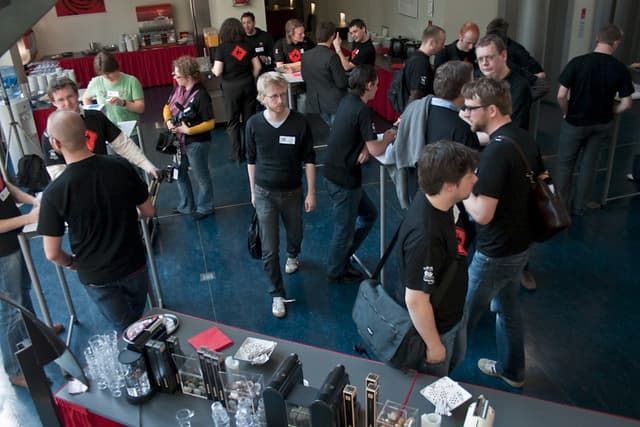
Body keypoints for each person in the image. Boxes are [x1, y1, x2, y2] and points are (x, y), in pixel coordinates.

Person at [460, 77, 545, 388]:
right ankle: (513, 370)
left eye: (470, 108)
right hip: (520, 245)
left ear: (491, 109)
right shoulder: (522, 138)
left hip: (495, 252)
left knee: (463, 317)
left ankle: (437, 373)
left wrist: (464, 185)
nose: (466, 113)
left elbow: (483, 213)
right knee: (508, 309)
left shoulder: (496, 153)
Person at [38, 110, 155, 331]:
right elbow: (148, 210)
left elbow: (51, 252)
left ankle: (137, 360)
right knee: (138, 317)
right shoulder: (120, 166)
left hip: (96, 274)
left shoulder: (55, 192)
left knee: (125, 327)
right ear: (86, 134)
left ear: (55, 143)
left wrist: (72, 262)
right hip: (133, 262)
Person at [396, 141, 478, 375]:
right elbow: (416, 300)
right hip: (438, 328)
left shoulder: (439, 200)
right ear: (449, 186)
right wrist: (434, 345)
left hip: (454, 313)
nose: (475, 179)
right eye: (469, 175)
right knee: (435, 386)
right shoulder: (426, 237)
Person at [246, 72, 316, 318]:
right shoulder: (254, 124)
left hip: (293, 191)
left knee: (295, 232)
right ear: (262, 98)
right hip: (265, 193)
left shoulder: (299, 122)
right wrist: (253, 191)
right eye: (273, 96)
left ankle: (293, 254)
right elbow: (251, 160)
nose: (279, 100)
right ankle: (276, 293)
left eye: (282, 95)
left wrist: (311, 192)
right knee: (269, 249)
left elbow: (309, 158)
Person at [324, 65, 396, 283]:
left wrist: (365, 147)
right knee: (344, 229)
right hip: (345, 180)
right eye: (376, 84)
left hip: (334, 172)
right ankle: (336, 270)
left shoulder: (348, 101)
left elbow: (360, 140)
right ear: (368, 86)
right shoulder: (363, 110)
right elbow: (376, 149)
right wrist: (388, 138)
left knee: (368, 215)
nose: (378, 88)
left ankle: (343, 256)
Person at [555, 23, 633, 216]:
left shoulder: (578, 62)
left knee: (565, 164)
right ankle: (580, 206)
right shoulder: (620, 68)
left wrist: (566, 111)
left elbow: (561, 95)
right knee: (589, 165)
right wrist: (613, 111)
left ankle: (560, 208)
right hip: (601, 123)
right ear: (615, 43)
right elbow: (627, 103)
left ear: (597, 39)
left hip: (575, 122)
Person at [0, 175, 64, 388]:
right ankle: (15, 371)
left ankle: (36, 335)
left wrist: (33, 201)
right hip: (2, 252)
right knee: (10, 311)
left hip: (13, 240)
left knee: (23, 292)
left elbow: (6, 187)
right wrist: (28, 218)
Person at [390, 60, 480, 208]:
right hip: (445, 206)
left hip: (416, 193)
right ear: (464, 89)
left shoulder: (414, 109)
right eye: (472, 82)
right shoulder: (462, 129)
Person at [42, 77, 157, 180]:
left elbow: (123, 144)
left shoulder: (96, 117)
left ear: (77, 95)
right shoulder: (50, 133)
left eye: (70, 96)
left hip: (104, 180)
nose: (67, 103)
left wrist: (148, 166)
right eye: (61, 100)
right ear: (53, 102)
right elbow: (57, 173)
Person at [166, 56, 216, 220]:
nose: (175, 78)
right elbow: (166, 107)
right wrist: (168, 121)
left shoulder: (201, 95)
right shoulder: (178, 89)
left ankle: (205, 207)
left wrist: (189, 130)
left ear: (189, 75)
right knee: (179, 173)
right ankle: (186, 205)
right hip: (179, 141)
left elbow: (210, 123)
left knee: (201, 176)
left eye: (178, 75)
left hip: (197, 143)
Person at [213, 17, 261, 163]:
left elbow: (217, 72)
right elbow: (258, 66)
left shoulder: (222, 48)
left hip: (230, 88)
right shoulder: (248, 45)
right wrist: (249, 78)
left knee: (233, 122)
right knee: (249, 120)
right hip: (247, 85)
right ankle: (250, 152)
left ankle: (237, 154)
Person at [81, 51, 145, 140]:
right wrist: (93, 115)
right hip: (108, 131)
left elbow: (140, 108)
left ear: (116, 67)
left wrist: (123, 103)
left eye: (109, 73)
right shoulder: (96, 82)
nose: (107, 77)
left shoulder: (131, 81)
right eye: (103, 74)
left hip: (130, 132)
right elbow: (86, 97)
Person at [475, 34, 532, 130]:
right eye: (480, 59)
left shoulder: (520, 86)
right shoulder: (475, 77)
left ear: (504, 55)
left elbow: (512, 127)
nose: (484, 63)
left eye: (489, 57)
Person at [301, 21, 348, 127]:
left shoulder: (305, 56)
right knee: (338, 131)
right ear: (332, 37)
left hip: (316, 103)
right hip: (334, 103)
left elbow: (305, 78)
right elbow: (342, 83)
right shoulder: (332, 56)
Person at [403, 25, 446, 105]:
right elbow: (416, 94)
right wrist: (409, 115)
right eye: (442, 43)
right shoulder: (420, 63)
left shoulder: (415, 56)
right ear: (432, 43)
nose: (443, 47)